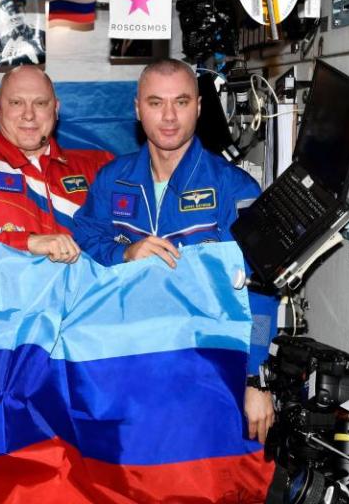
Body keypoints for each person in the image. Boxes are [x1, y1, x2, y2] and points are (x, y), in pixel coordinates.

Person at [73, 58, 277, 443]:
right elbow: (84, 241)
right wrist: (124, 254)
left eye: (181, 102)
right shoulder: (112, 180)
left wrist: (255, 377)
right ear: (137, 109)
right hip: (123, 364)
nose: (168, 116)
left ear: (199, 107)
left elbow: (262, 290)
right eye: (155, 102)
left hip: (204, 371)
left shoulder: (235, 189)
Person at [0, 66, 111, 262]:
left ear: (56, 109)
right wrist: (28, 243)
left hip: (88, 291)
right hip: (4, 292)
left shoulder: (99, 167)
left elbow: (128, 232)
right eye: (16, 103)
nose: (29, 115)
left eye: (40, 103)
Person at [0, 0, 46, 67]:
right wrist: (3, 54)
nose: (15, 15)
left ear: (24, 11)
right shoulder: (0, 40)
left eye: (18, 10)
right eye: (10, 12)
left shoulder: (42, 35)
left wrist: (33, 48)